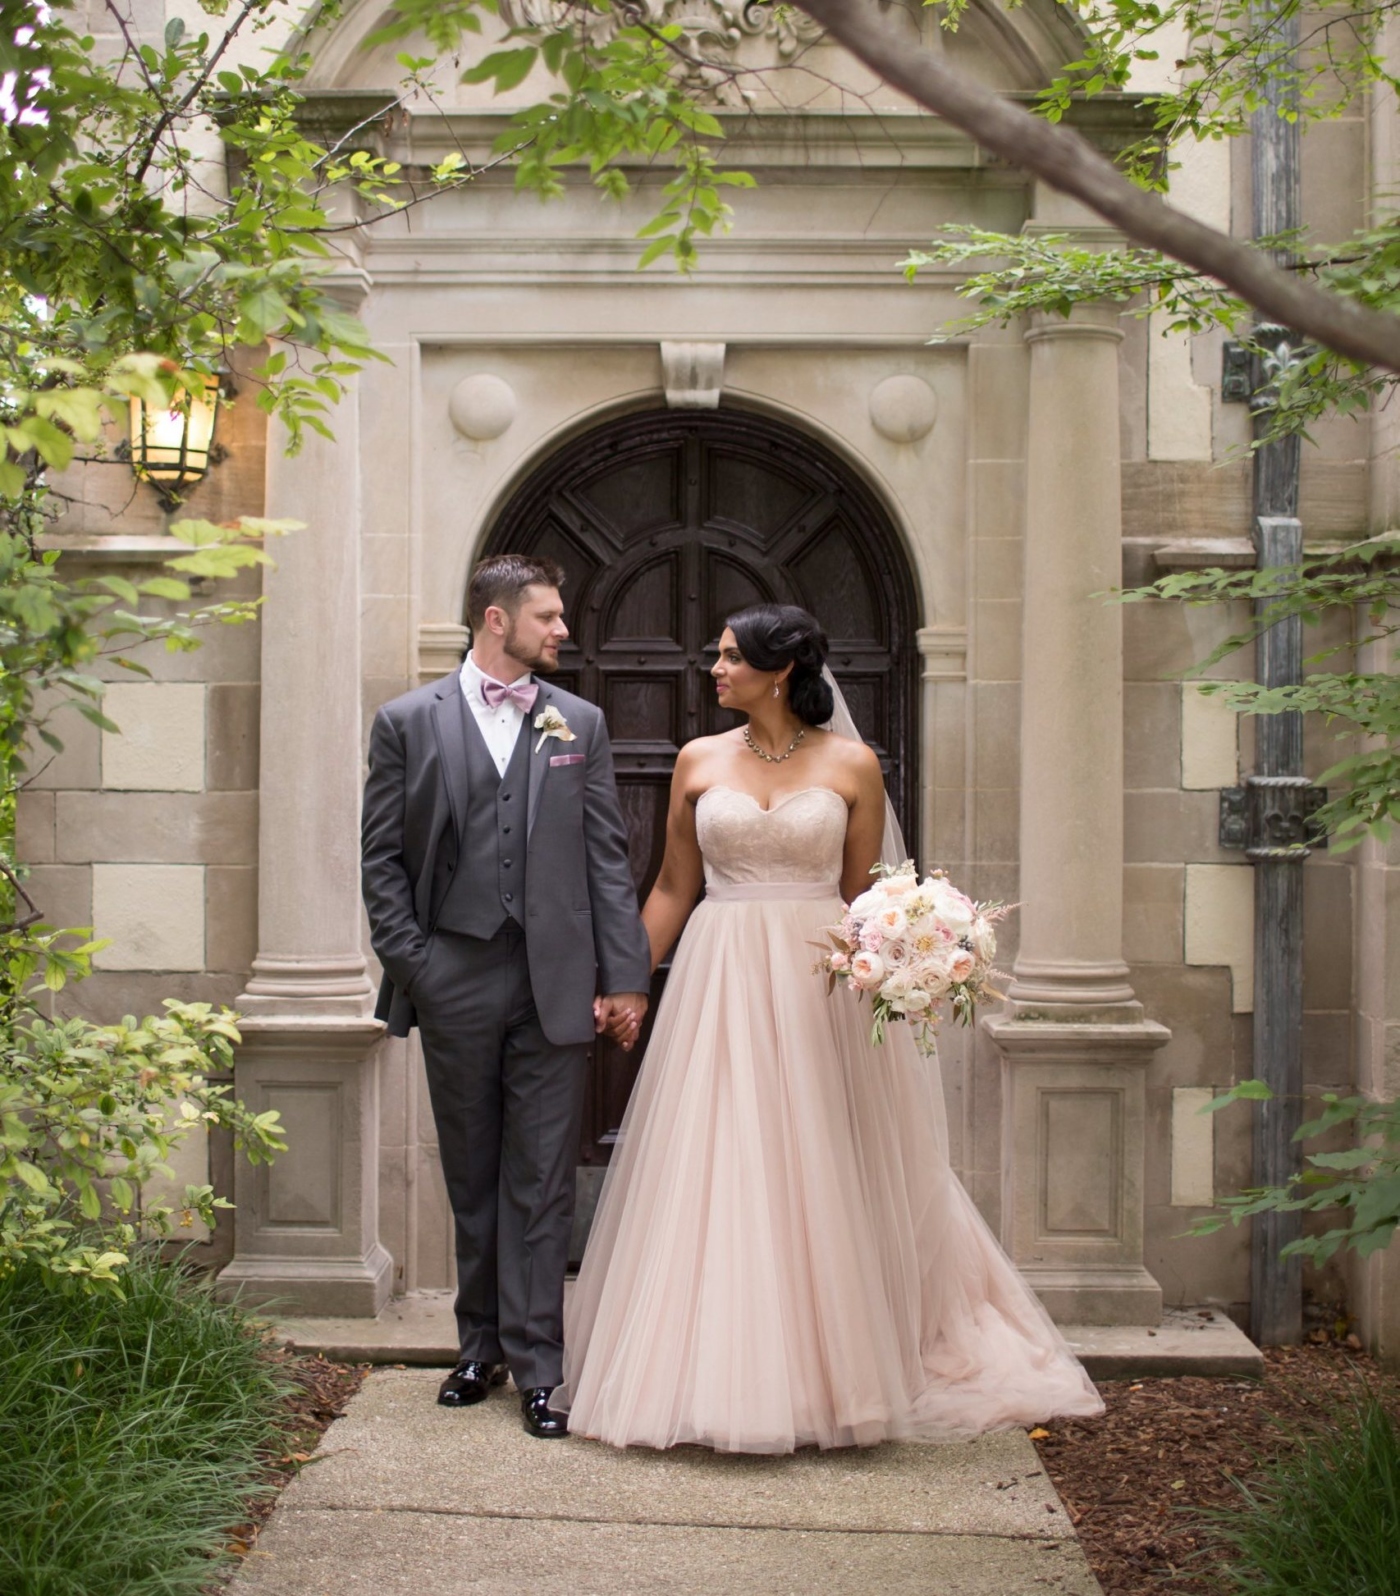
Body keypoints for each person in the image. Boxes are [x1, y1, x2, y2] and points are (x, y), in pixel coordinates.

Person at [552, 603, 1105, 1452]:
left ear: (778, 672)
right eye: (717, 654)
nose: (715, 669)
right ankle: (710, 1369)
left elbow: (865, 899)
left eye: (731, 657)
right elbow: (670, 884)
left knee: (813, 1158)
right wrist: (628, 983)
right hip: (721, 971)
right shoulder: (698, 760)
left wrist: (906, 957)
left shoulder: (853, 765)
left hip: (816, 984)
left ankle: (834, 1375)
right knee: (721, 1156)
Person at [360, 553, 650, 1438]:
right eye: (549, 617)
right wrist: (419, 967)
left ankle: (539, 1368)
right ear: (497, 619)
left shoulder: (580, 723)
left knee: (542, 1178)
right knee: (473, 1173)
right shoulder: (408, 721)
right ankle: (476, 1348)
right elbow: (382, 860)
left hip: (555, 983)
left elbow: (608, 856)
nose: (563, 630)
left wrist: (624, 974)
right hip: (454, 976)